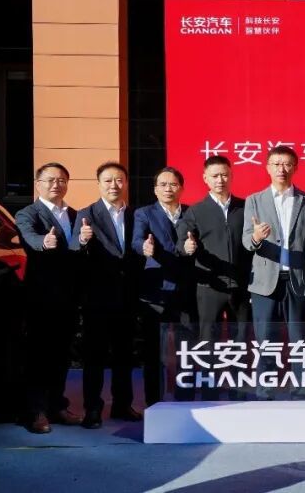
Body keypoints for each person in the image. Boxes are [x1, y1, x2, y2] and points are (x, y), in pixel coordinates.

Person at [71, 162, 142, 428]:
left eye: (119, 180)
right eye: (108, 180)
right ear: (99, 184)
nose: (114, 185)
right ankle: (92, 408)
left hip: (128, 296)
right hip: (98, 299)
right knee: (95, 356)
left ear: (126, 183)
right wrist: (82, 240)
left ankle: (123, 405)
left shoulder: (136, 214)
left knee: (124, 354)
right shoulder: (86, 214)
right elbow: (74, 251)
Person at [243, 146, 305, 400]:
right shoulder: (254, 200)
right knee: (266, 339)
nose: (281, 169)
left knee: (300, 340)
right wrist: (256, 237)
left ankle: (301, 389)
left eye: (286, 164)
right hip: (265, 283)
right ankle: (266, 390)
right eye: (276, 164)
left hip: (298, 280)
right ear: (267, 167)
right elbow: (246, 240)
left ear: (295, 167)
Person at [176, 155, 252, 400]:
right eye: (215, 176)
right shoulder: (196, 211)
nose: (220, 180)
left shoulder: (245, 207)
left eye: (225, 175)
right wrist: (187, 247)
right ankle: (210, 392)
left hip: (241, 286)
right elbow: (182, 241)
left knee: (241, 340)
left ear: (231, 176)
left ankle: (239, 392)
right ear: (205, 179)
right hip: (209, 286)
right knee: (208, 340)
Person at [15, 162, 82, 433]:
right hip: (41, 298)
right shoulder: (28, 213)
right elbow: (29, 237)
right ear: (38, 184)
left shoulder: (75, 215)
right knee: (38, 356)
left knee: (62, 354)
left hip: (68, 297)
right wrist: (43, 242)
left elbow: (77, 253)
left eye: (62, 180)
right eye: (51, 180)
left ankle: (57, 405)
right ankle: (36, 412)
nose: (57, 184)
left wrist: (85, 242)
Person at [131, 167, 191, 406]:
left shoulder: (191, 213)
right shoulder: (144, 213)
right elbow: (137, 240)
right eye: (163, 185)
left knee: (187, 348)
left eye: (173, 184)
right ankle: (154, 402)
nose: (168, 189)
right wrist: (143, 248)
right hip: (156, 290)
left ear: (181, 188)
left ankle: (185, 398)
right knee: (154, 350)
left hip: (187, 290)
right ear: (155, 190)